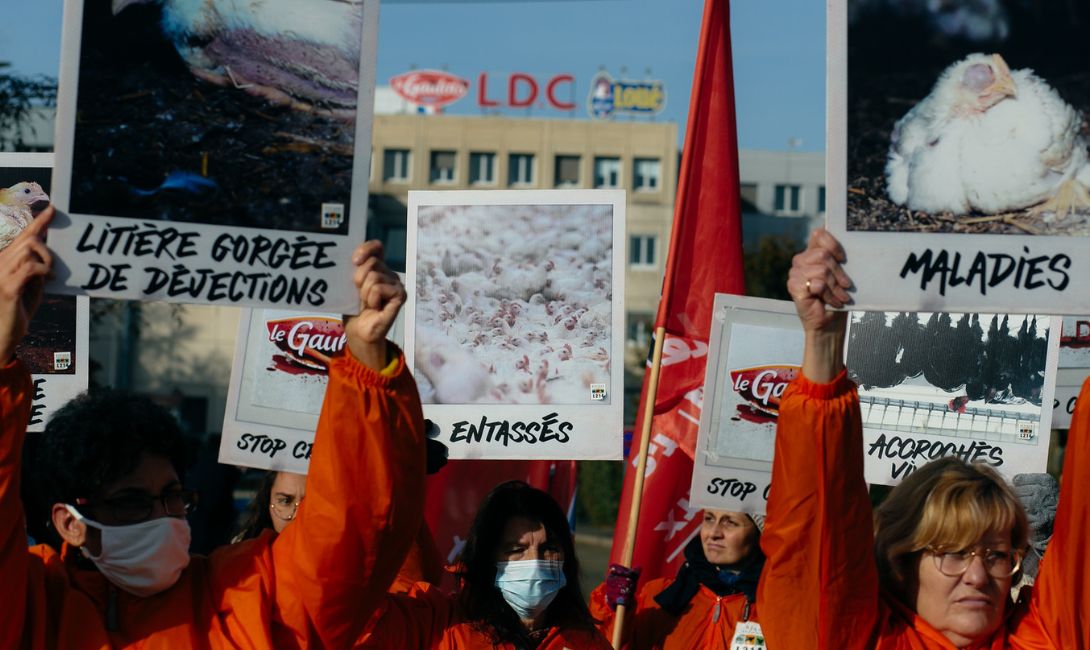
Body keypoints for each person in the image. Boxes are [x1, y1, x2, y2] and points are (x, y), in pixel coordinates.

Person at [2, 206, 426, 648]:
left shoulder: (246, 595)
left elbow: (355, 532)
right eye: (131, 504)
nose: (163, 520)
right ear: (69, 522)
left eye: (172, 498)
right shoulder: (34, 607)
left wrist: (365, 361)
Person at [758, 228, 1090, 648]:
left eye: (996, 555)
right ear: (902, 562)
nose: (977, 576)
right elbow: (815, 529)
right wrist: (823, 341)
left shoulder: (1047, 640)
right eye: (953, 552)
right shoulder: (851, 640)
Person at [358, 480, 611, 649]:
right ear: (488, 559)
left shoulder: (588, 642)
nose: (535, 562)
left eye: (549, 549)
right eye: (516, 550)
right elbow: (351, 612)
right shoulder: (437, 625)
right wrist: (398, 477)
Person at [591, 509, 765, 649]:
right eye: (709, 518)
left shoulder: (774, 607)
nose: (713, 533)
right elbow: (604, 646)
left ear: (760, 533)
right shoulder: (660, 595)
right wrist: (614, 610)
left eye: (730, 523)